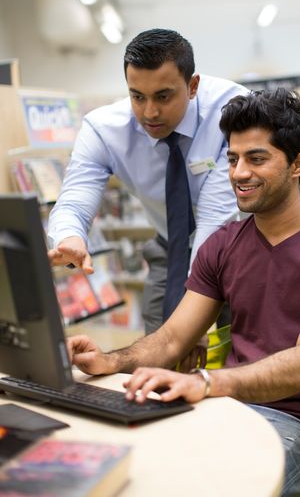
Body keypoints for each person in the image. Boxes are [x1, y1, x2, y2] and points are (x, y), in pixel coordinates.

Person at [67, 88, 300, 496]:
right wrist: (108, 360)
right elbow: (172, 339)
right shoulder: (223, 243)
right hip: (225, 410)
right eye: (232, 159)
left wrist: (207, 383)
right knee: (130, 471)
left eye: (256, 158)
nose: (238, 173)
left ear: (297, 164)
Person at [48, 28, 247, 336]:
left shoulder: (233, 110)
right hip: (170, 250)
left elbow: (214, 220)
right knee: (157, 352)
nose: (150, 112)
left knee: (243, 355)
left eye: (163, 96)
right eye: (137, 96)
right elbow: (74, 198)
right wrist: (70, 236)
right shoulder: (104, 130)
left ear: (192, 86)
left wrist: (189, 328)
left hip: (243, 248)